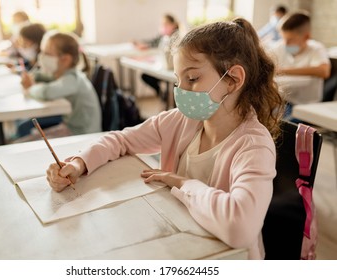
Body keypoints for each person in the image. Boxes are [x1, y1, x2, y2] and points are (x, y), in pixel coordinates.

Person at [46, 18, 284, 259]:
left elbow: (240, 227)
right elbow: (120, 140)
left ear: (233, 79)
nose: (181, 91)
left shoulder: (253, 145)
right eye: (178, 80)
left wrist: (180, 183)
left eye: (192, 79)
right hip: (178, 242)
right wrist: (78, 164)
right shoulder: (180, 120)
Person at [15, 32, 102, 140]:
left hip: (81, 134)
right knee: (24, 136)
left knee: (22, 142)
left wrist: (30, 88)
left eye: (47, 53)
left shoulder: (72, 80)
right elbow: (49, 78)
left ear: (65, 59)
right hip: (71, 127)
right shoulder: (68, 74)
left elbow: (47, 92)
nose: (41, 56)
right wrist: (34, 77)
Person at [269, 11, 331, 121]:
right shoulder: (279, 47)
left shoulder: (316, 49)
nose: (286, 44)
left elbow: (324, 71)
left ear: (306, 37)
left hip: (306, 106)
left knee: (284, 128)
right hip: (283, 102)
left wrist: (282, 71)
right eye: (284, 38)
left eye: (290, 40)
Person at [133, 14, 179, 97]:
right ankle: (162, 94)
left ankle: (166, 98)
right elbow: (153, 43)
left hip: (172, 70)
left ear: (173, 24)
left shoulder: (177, 37)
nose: (163, 26)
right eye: (162, 24)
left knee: (174, 83)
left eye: (166, 24)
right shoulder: (163, 37)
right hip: (163, 67)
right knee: (145, 75)